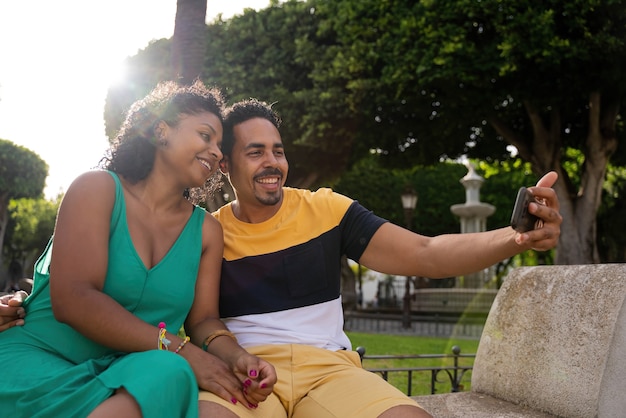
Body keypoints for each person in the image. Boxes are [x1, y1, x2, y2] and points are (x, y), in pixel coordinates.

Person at [195, 98, 562, 418]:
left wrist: (517, 238)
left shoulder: (327, 209)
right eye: (255, 152)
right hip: (247, 373)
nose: (272, 163)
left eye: (278, 150)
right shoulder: (209, 232)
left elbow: (426, 253)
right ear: (225, 164)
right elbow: (202, 321)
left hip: (330, 373)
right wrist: (233, 359)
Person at [0, 82, 275, 418]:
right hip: (38, 362)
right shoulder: (96, 189)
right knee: (176, 364)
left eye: (220, 145)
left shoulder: (206, 231)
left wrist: (236, 357)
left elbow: (203, 320)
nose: (217, 152)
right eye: (206, 136)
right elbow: (74, 299)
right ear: (161, 130)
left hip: (126, 375)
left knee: (172, 373)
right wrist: (181, 349)